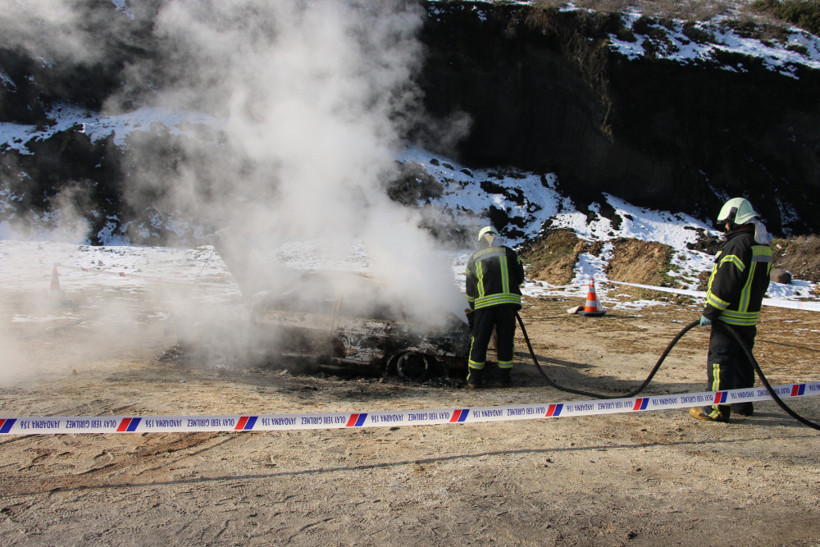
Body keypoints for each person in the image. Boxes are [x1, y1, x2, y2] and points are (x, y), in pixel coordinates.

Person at [690, 197, 773, 422]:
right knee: (742, 362)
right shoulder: (760, 244)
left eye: (727, 222)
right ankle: (742, 403)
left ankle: (716, 409)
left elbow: (726, 283)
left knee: (720, 362)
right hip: (748, 318)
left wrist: (711, 311)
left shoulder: (738, 245)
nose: (725, 227)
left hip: (729, 318)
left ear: (735, 219)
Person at [464, 226, 525, 388]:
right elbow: (520, 275)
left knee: (480, 341)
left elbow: (470, 290)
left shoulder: (474, 258)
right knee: (505, 340)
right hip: (507, 305)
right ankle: (503, 378)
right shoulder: (509, 253)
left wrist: (473, 310)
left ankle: (474, 380)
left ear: (479, 241)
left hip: (484, 307)